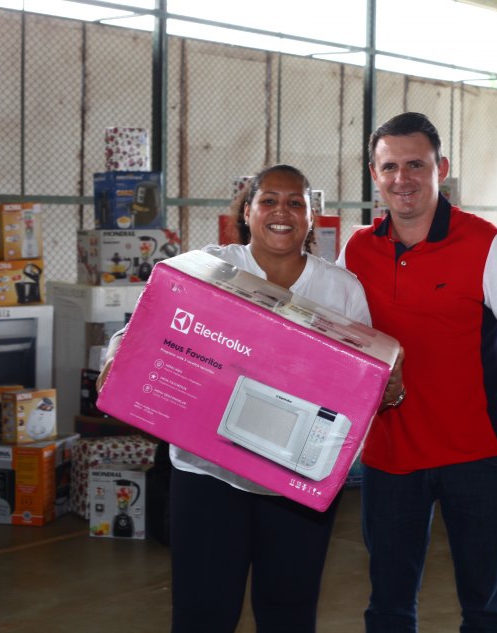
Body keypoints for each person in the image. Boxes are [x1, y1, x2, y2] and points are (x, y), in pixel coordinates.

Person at [98, 163, 402, 633]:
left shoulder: (340, 289)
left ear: (311, 217)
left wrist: (388, 389)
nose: (282, 212)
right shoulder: (212, 267)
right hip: (208, 474)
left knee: (289, 611)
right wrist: (116, 356)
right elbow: (146, 320)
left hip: (295, 482)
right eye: (269, 201)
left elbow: (365, 379)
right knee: (202, 613)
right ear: (247, 212)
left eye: (296, 203)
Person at [337, 112, 497, 633]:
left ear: (440, 168)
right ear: (374, 175)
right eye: (389, 166)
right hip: (391, 455)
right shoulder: (357, 250)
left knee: (485, 610)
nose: (403, 178)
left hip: (478, 456)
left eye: (416, 164)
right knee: (388, 608)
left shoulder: (487, 245)